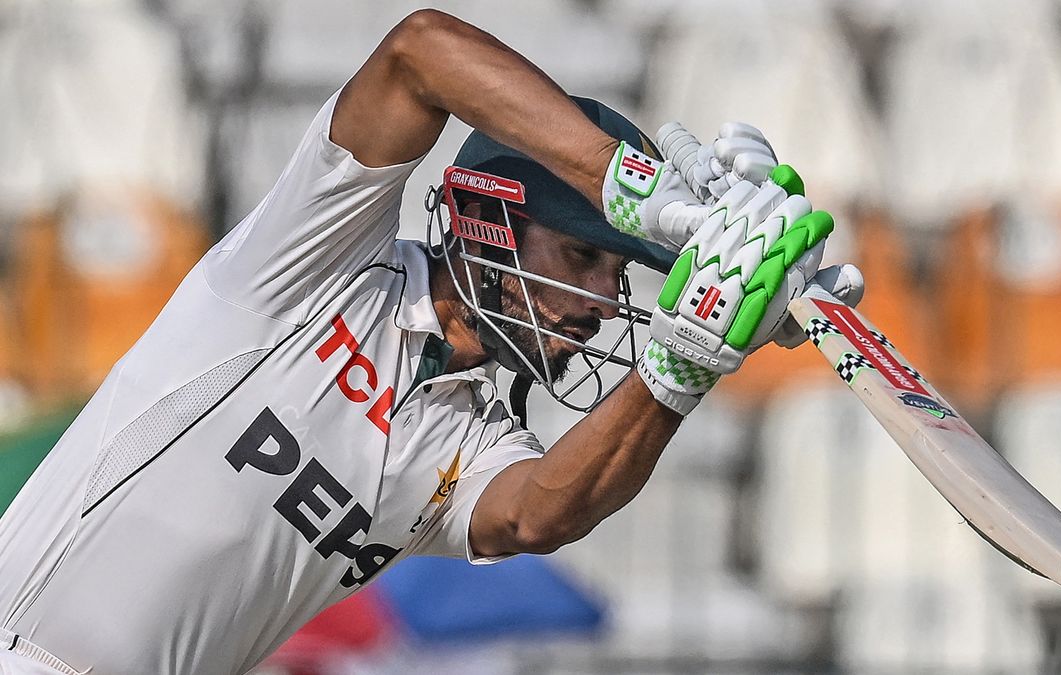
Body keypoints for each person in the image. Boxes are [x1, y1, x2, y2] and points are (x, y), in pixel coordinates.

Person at [0, 9, 861, 675]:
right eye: (586, 257)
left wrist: (689, 355)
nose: (604, 300)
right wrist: (624, 182)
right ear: (487, 219)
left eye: (618, 273)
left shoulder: (469, 439)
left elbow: (536, 511)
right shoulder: (309, 260)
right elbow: (418, 52)